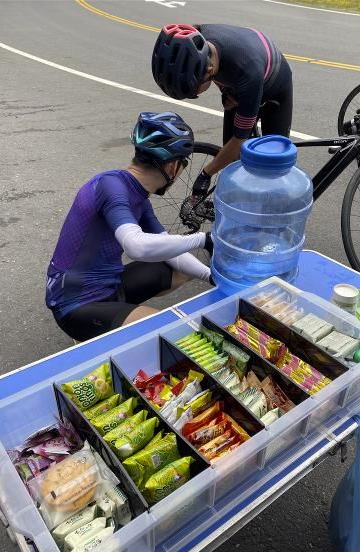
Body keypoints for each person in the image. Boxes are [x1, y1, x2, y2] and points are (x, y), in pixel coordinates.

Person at [45, 111, 213, 342]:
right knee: (173, 332)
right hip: (76, 305)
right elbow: (137, 247)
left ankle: (114, 325)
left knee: (181, 268)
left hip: (108, 287)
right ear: (174, 167)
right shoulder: (111, 187)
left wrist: (211, 276)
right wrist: (203, 239)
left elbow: (170, 252)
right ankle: (99, 331)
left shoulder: (138, 197)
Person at [152, 23, 293, 198]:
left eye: (194, 90)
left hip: (274, 88)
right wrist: (226, 91)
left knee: (275, 162)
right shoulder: (198, 40)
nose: (195, 94)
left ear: (209, 70)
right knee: (231, 158)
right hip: (240, 77)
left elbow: (238, 140)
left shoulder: (248, 72)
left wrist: (206, 174)